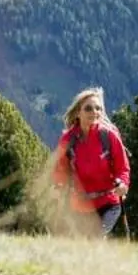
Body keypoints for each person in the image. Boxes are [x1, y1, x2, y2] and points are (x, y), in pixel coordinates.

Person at [48, 87, 132, 237]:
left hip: (109, 203)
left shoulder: (109, 136)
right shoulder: (68, 140)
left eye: (98, 108)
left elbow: (122, 167)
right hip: (80, 205)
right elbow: (61, 170)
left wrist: (123, 184)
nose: (94, 112)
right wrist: (57, 187)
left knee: (97, 237)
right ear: (78, 113)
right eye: (88, 108)